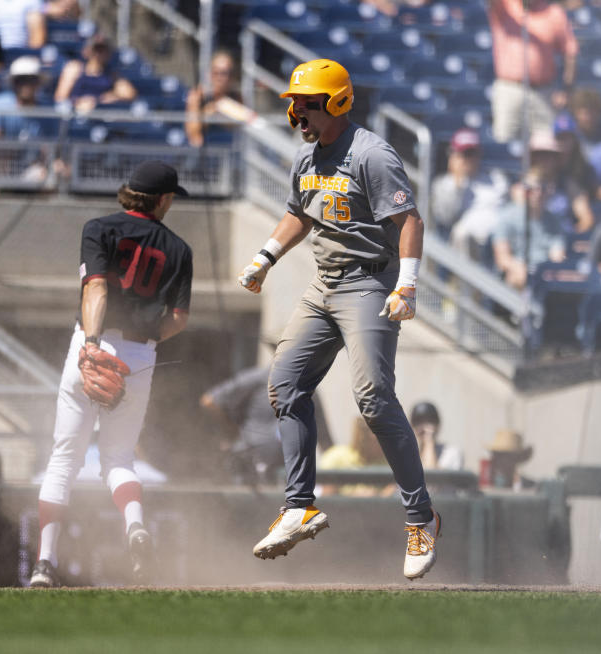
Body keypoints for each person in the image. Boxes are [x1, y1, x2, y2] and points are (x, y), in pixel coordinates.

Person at [237, 59, 440, 580]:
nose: (295, 110)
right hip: (323, 282)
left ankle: (421, 516)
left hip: (371, 282)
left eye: (306, 102)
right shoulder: (305, 156)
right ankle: (299, 505)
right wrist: (265, 257)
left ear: (336, 102)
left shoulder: (371, 154)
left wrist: (407, 284)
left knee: (372, 398)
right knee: (283, 385)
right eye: (294, 102)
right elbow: (299, 212)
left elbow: (409, 220)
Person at [29, 160, 193, 589]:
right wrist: (143, 340)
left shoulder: (98, 228)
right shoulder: (179, 248)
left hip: (91, 341)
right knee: (119, 458)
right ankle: (135, 527)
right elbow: (178, 319)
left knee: (64, 457)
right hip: (140, 354)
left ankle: (45, 563)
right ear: (161, 199)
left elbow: (96, 288)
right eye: (171, 196)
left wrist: (92, 343)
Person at [200, 366, 331, 485]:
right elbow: (210, 401)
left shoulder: (309, 390)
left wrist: (331, 482)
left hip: (287, 475)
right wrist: (232, 432)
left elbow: (326, 445)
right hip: (250, 469)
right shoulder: (258, 378)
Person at [486, 0, 578, 143]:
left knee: (546, 145)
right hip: (510, 89)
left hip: (543, 92)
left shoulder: (553, 12)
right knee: (504, 141)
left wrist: (566, 88)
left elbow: (570, 51)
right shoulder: (505, 6)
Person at [491, 167, 568, 290]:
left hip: (544, 274)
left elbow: (557, 256)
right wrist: (519, 268)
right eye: (532, 189)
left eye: (542, 189)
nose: (537, 194)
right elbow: (502, 258)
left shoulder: (554, 222)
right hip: (515, 273)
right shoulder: (506, 216)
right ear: (524, 191)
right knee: (518, 277)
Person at [430, 128, 507, 240]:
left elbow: (504, 211)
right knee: (463, 234)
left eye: (472, 153)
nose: (469, 159)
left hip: (493, 237)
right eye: (464, 154)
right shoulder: (443, 184)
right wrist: (457, 183)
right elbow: (446, 218)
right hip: (462, 241)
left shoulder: (496, 179)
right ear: (453, 156)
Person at [54, 34, 137, 114]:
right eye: (96, 49)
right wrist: (78, 104)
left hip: (101, 113)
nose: (98, 54)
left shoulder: (111, 74)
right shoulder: (75, 68)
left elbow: (129, 94)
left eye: (102, 50)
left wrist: (110, 97)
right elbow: (60, 97)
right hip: (76, 113)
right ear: (87, 51)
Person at [184, 50, 249, 147]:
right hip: (206, 152)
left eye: (227, 73)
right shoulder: (198, 95)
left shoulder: (236, 96)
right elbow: (192, 134)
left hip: (230, 150)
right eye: (217, 72)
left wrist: (225, 113)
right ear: (210, 73)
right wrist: (209, 113)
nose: (221, 77)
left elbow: (243, 125)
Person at [409, 401, 464, 471]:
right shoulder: (409, 454)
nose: (423, 427)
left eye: (429, 421)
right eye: (418, 422)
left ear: (437, 424)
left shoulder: (452, 453)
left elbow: (429, 475)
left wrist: (428, 441)